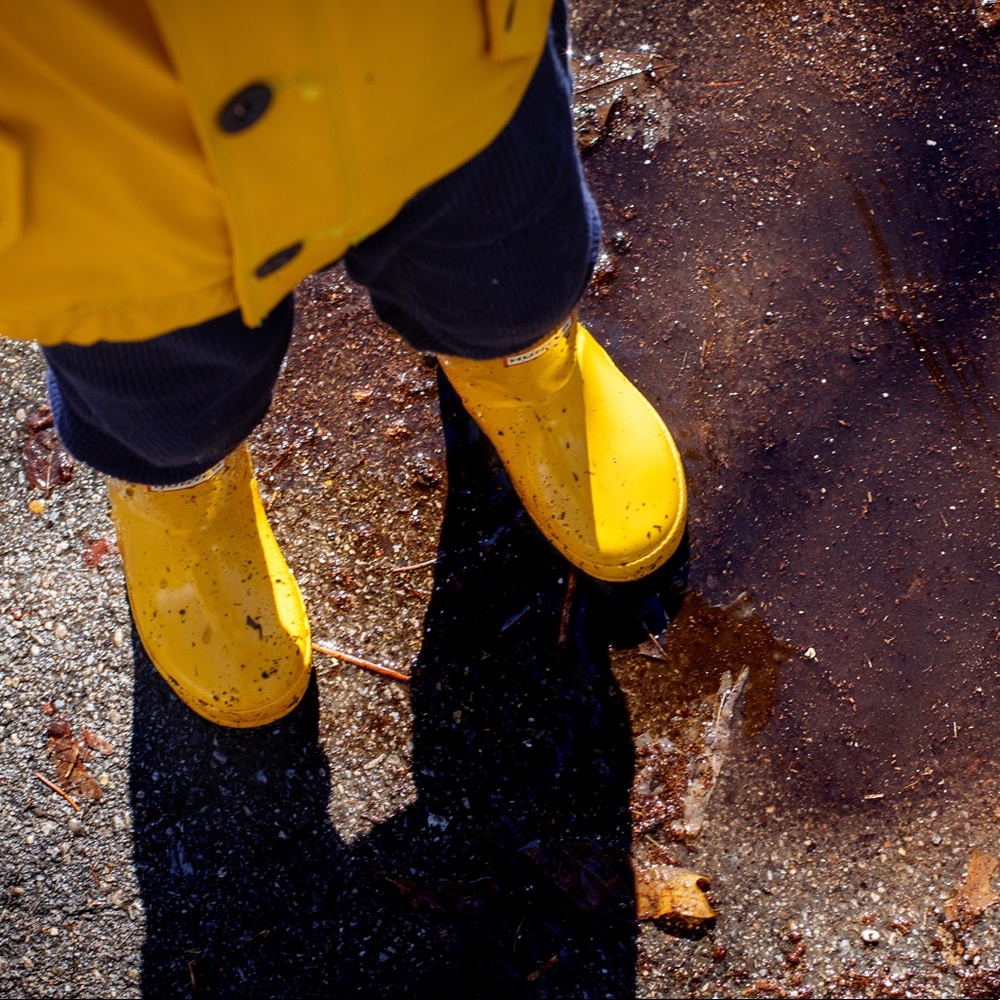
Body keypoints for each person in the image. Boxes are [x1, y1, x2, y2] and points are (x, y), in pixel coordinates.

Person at [0, 0, 686, 727]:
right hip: (95, 161)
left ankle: (527, 367)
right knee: (164, 404)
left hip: (430, 53)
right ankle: (181, 494)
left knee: (508, 274)